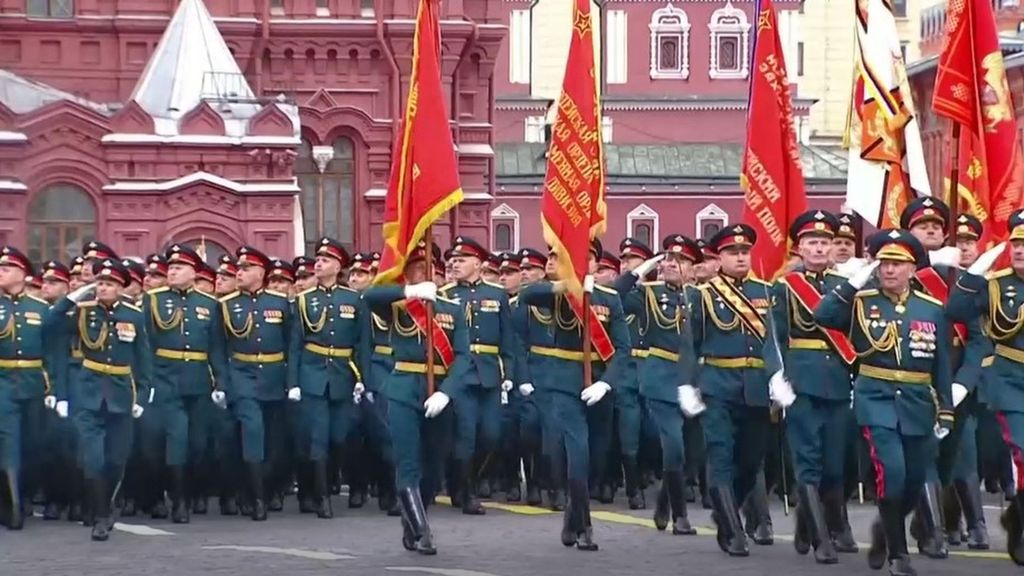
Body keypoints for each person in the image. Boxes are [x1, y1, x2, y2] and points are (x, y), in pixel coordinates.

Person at [816, 229, 954, 576]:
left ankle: (885, 530)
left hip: (918, 401)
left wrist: (947, 408)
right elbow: (823, 315)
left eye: (897, 264)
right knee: (891, 474)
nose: (889, 270)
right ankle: (898, 553)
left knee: (913, 480)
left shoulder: (932, 308)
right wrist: (852, 285)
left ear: (912, 269)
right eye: (884, 263)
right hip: (875, 398)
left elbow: (941, 365)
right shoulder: (861, 302)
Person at [517, 239, 630, 551]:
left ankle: (572, 516)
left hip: (598, 386)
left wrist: (606, 383)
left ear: (596, 263)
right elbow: (527, 294)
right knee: (576, 456)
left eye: (589, 258)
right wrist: (567, 284)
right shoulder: (551, 292)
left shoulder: (609, 298)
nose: (584, 264)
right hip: (565, 385)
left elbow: (623, 350)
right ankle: (585, 526)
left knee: (596, 458)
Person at [364, 240, 471, 555]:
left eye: (424, 266)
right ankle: (422, 530)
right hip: (403, 391)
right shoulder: (397, 303)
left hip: (439, 392)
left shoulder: (452, 308)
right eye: (412, 266)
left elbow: (463, 357)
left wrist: (446, 392)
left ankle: (413, 519)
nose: (419, 271)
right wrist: (409, 293)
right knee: (408, 461)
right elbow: (369, 296)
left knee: (434, 468)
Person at [763, 211, 853, 564]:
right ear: (799, 248)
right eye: (812, 242)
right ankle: (821, 540)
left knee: (834, 465)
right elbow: (774, 337)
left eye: (825, 242)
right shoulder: (785, 287)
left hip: (837, 382)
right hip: (801, 381)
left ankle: (806, 526)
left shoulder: (844, 286)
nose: (818, 248)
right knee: (808, 462)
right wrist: (776, 376)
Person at [680, 224, 772, 558]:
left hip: (757, 389)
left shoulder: (766, 291)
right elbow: (690, 344)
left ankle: (726, 505)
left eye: (744, 252)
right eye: (733, 253)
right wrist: (688, 384)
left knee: (750, 462)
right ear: (719, 259)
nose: (740, 258)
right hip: (718, 386)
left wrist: (778, 377)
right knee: (720, 455)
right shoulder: (703, 295)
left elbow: (774, 343)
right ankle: (732, 531)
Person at [51, 257, 153, 541]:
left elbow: (143, 358)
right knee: (93, 457)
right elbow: (51, 322)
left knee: (117, 458)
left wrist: (142, 395)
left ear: (121, 287)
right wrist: (75, 296)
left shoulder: (133, 315)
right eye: (100, 283)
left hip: (121, 392)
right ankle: (99, 515)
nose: (103, 288)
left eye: (109, 284)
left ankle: (108, 504)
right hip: (89, 391)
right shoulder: (82, 311)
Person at [947, 210, 1024, 565]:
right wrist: (974, 274)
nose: (1021, 250)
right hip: (1010, 380)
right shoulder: (995, 283)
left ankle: (1016, 519)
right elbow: (956, 310)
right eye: (1017, 243)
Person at [141, 244, 226, 524]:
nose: (173, 271)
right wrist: (148, 379)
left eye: (179, 267)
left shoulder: (209, 304)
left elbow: (216, 348)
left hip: (199, 381)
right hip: (166, 380)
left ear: (194, 271)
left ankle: (190, 492)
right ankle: (178, 501)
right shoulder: (152, 300)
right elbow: (145, 345)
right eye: (171, 267)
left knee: (198, 444)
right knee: (174, 440)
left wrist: (220, 381)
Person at [288, 237, 370, 519]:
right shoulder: (302, 300)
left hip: (343, 375)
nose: (318, 264)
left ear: (337, 267)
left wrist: (363, 377)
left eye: (324, 261)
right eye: (317, 260)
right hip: (312, 375)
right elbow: (295, 345)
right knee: (318, 438)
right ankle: (320, 497)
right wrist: (294, 382)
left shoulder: (354, 300)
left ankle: (324, 485)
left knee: (340, 436)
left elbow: (362, 343)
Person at [439, 236, 518, 515]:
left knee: (491, 435)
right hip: (460, 374)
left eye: (461, 260)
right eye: (452, 260)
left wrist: (509, 372)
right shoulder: (445, 294)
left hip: (489, 373)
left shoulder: (497, 295)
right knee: (465, 436)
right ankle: (466, 490)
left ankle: (465, 481)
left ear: (477, 263)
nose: (454, 264)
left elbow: (508, 340)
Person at [215, 246, 294, 521]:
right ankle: (256, 497)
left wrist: (291, 380)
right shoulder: (225, 305)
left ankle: (265, 488)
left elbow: (291, 344)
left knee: (273, 440)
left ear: (261, 273)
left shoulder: (280, 303)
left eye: (246, 268)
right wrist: (223, 384)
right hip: (242, 376)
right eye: (239, 268)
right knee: (253, 432)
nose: (240, 272)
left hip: (273, 376)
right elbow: (219, 348)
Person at [0, 247, 52, 530]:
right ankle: (14, 507)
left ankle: (25, 494)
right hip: (3, 380)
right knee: (9, 442)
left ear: (23, 274)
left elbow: (53, 353)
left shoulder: (40, 308)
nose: (0, 273)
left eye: (6, 269)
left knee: (33, 443)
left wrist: (54, 387)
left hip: (33, 381)